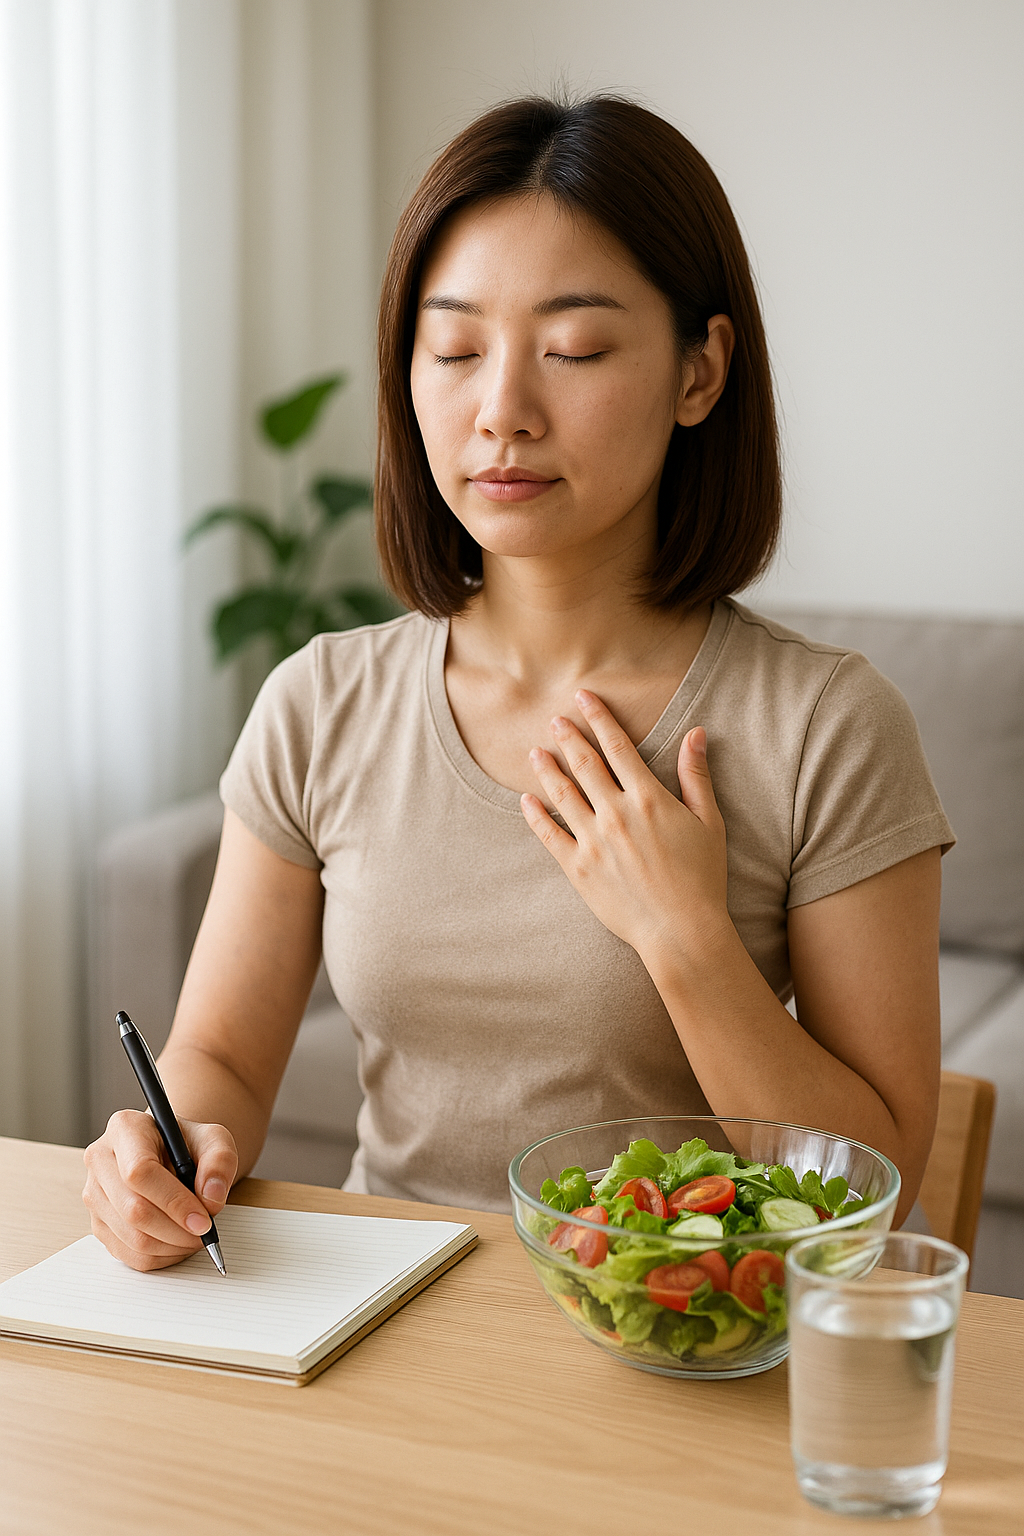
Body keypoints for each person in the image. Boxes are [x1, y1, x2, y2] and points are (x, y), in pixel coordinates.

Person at [83, 94, 953, 1270]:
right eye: (453, 351)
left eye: (573, 350)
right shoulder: (321, 703)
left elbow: (876, 1195)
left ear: (700, 372)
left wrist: (683, 936)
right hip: (372, 1317)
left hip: (670, 1341)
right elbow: (221, 1060)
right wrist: (162, 1152)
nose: (501, 412)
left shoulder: (824, 727)